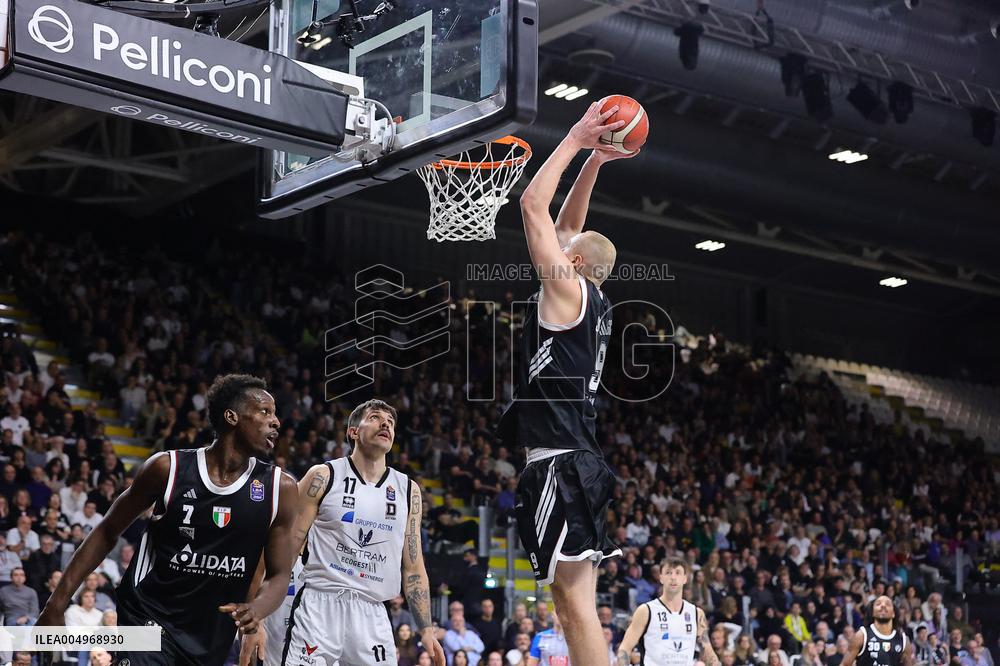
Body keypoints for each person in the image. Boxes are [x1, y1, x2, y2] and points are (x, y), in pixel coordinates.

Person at [496, 101, 637, 666]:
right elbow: (568, 228)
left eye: (563, 250)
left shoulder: (566, 291)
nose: (556, 245)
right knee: (570, 603)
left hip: (561, 460)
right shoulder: (589, 298)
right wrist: (595, 163)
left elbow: (533, 206)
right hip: (574, 457)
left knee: (575, 606)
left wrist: (578, 138)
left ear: (573, 265)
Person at [36, 373, 300, 666]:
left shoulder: (280, 489)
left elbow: (279, 574)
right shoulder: (168, 468)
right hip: (147, 616)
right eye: (265, 412)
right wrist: (56, 603)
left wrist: (257, 609)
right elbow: (106, 531)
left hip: (208, 636)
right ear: (232, 417)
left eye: (275, 414)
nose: (276, 422)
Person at [271, 399, 445, 666]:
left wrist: (426, 628)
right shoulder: (324, 475)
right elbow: (289, 545)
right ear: (353, 431)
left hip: (373, 612)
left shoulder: (408, 490)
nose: (385, 424)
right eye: (375, 417)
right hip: (320, 604)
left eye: (390, 422)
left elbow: (413, 567)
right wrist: (261, 610)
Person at [616, 558, 720, 666]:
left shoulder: (696, 614)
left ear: (685, 578)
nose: (673, 577)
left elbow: (708, 651)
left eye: (678, 573)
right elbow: (625, 648)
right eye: (668, 573)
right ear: (661, 578)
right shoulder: (646, 611)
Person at [839, 596, 915, 666]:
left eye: (888, 604)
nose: (883, 606)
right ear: (872, 612)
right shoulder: (862, 635)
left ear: (893, 613)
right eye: (878, 604)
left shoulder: (903, 640)